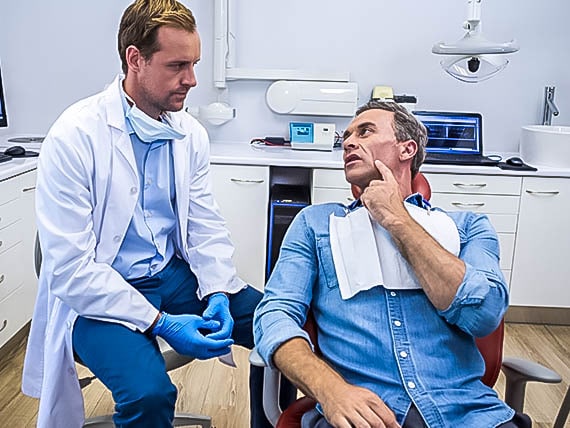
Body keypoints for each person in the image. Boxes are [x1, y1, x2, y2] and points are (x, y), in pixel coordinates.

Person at [21, 1, 292, 427]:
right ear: (135, 59)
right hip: (100, 295)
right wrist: (161, 322)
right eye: (177, 65)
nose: (192, 79)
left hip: (173, 276)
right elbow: (71, 270)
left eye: (195, 64)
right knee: (149, 395)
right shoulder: (74, 137)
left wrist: (218, 290)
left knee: (280, 329)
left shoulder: (189, 134)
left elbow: (204, 225)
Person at [254, 101, 531, 428]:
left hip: (469, 414)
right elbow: (275, 314)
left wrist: (396, 218)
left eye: (365, 131)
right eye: (346, 136)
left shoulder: (467, 228)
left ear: (407, 149)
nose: (348, 142)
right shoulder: (316, 225)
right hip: (361, 414)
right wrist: (330, 389)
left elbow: (482, 314)